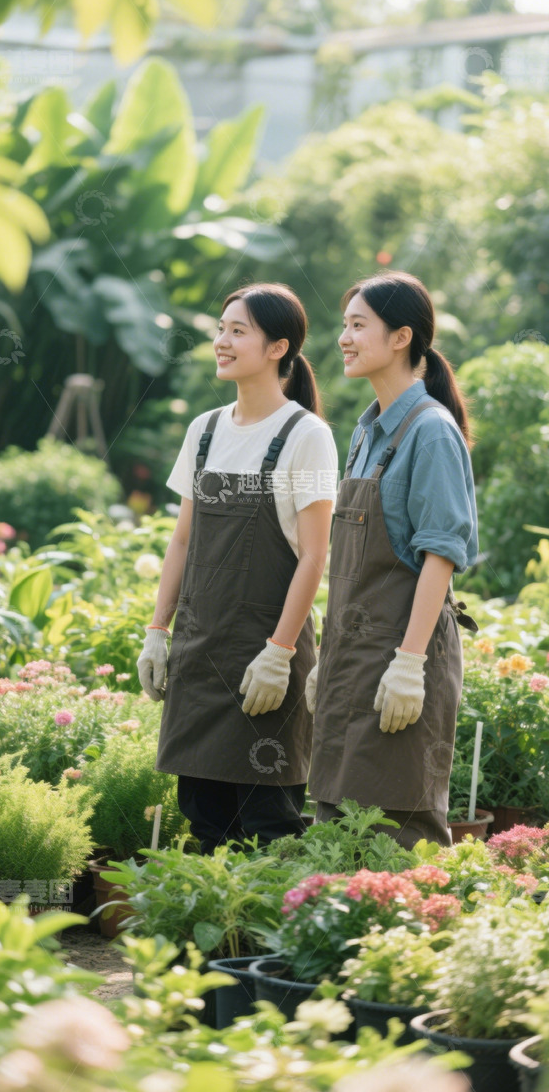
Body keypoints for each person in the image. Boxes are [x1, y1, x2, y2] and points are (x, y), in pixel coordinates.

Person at [137, 283, 338, 853]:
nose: (221, 342)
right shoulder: (204, 430)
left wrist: (279, 653)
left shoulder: (306, 436)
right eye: (221, 329)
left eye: (237, 331)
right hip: (201, 655)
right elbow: (182, 542)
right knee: (203, 824)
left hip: (261, 661)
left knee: (269, 827)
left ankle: (269, 943)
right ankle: (209, 944)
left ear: (278, 347)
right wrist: (157, 632)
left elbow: (314, 555)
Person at [306, 271, 479, 849]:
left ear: (402, 336)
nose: (344, 338)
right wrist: (324, 660)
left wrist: (409, 666)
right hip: (353, 658)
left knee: (397, 827)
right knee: (336, 820)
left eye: (359, 325)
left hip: (401, 659)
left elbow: (441, 556)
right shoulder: (366, 432)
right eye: (344, 325)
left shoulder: (430, 431)